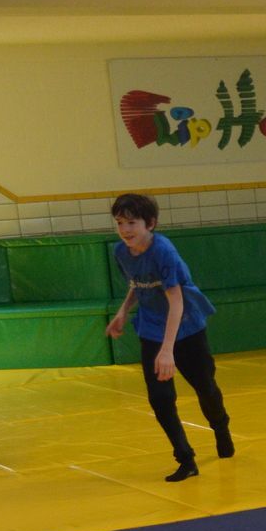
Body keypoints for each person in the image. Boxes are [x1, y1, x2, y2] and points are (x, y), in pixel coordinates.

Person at [106, 193, 233, 482]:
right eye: (119, 223)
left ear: (150, 223)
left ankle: (221, 427)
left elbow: (175, 302)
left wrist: (168, 351)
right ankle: (185, 458)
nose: (125, 230)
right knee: (161, 398)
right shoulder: (121, 252)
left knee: (205, 387)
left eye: (132, 223)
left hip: (185, 325)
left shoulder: (163, 251)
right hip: (152, 328)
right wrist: (123, 311)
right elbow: (137, 283)